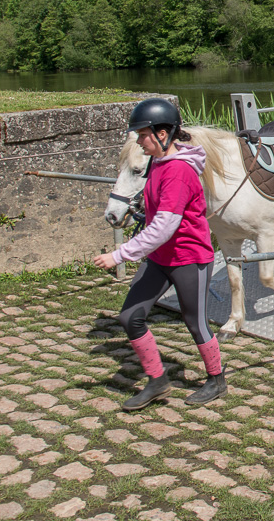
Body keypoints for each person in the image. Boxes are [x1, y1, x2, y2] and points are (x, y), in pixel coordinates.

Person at [93, 98, 226, 411]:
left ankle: (217, 379)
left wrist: (120, 255)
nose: (139, 141)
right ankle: (157, 381)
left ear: (163, 134)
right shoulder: (157, 163)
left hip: (189, 258)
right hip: (160, 258)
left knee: (196, 323)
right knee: (130, 317)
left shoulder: (178, 171)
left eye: (142, 134)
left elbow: (165, 226)